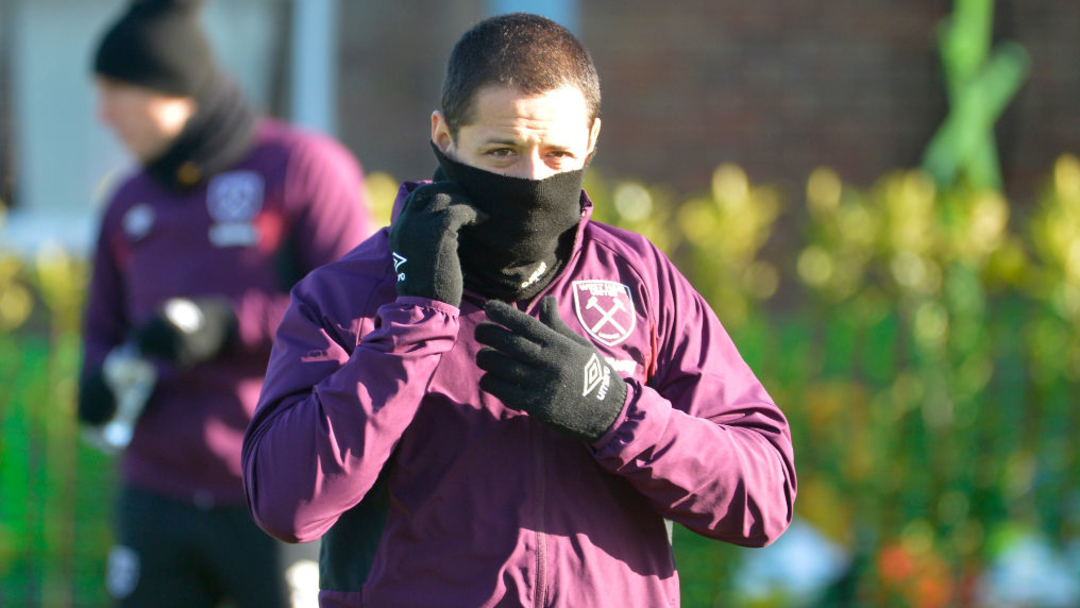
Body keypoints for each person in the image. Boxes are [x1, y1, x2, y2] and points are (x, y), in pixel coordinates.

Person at [243, 12, 796, 608]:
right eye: (502, 151)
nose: (533, 180)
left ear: (590, 141)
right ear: (444, 136)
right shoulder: (352, 294)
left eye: (557, 154)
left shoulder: (638, 280)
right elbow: (285, 503)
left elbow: (763, 497)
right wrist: (415, 323)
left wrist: (613, 411)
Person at [76, 0, 375, 606]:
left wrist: (227, 324)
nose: (103, 115)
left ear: (173, 88)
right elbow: (102, 327)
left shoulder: (302, 169)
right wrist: (95, 383)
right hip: (158, 492)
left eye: (117, 93)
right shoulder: (126, 200)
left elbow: (361, 311)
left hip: (277, 489)